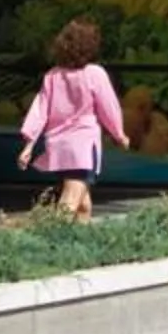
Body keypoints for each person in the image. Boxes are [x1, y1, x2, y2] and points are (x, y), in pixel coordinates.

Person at [18, 16, 128, 219]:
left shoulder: (53, 75)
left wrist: (29, 145)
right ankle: (53, 236)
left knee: (83, 205)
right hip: (82, 148)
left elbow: (39, 110)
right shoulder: (95, 73)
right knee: (69, 202)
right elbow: (108, 107)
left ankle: (80, 236)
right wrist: (119, 134)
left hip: (59, 148)